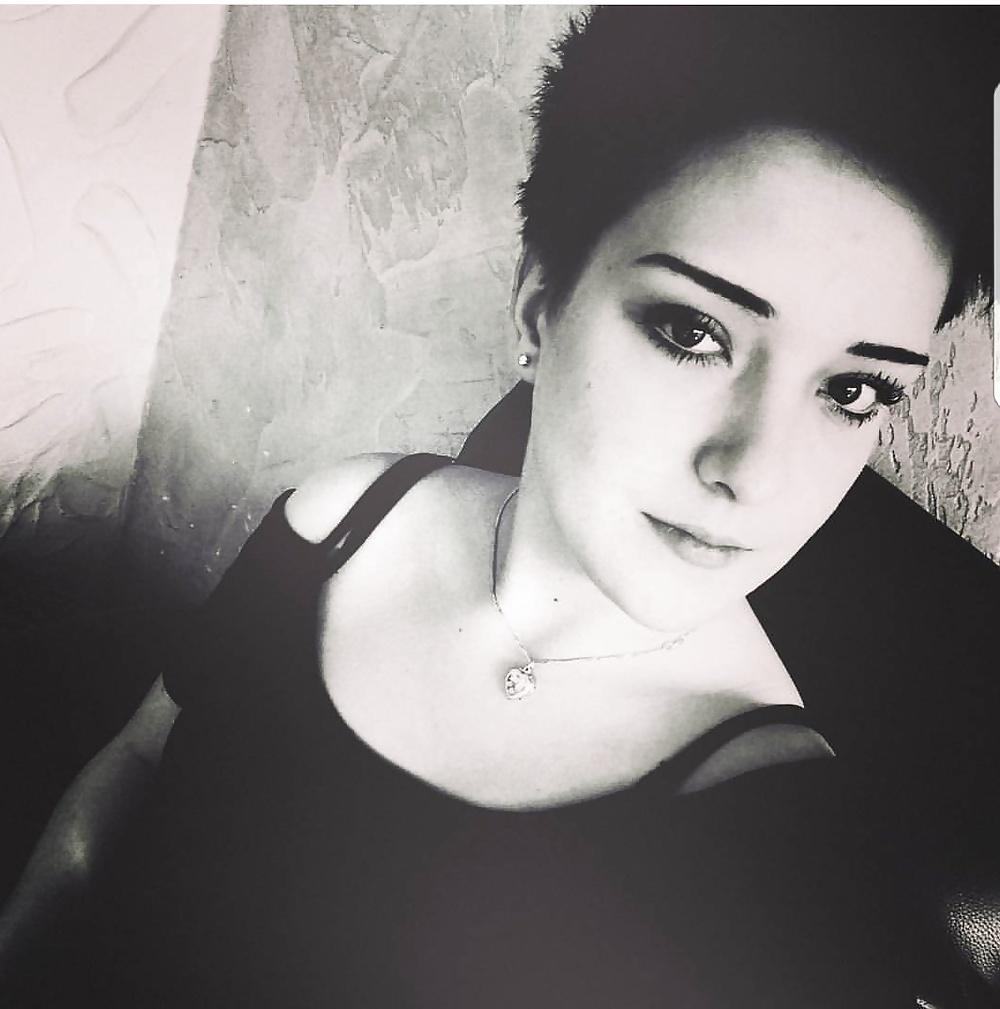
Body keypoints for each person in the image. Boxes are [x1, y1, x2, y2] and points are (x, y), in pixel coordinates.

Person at [1, 7, 997, 1007]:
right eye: (693, 330)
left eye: (853, 390)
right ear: (538, 306)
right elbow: (136, 764)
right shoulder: (343, 518)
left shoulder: (785, 857)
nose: (755, 472)